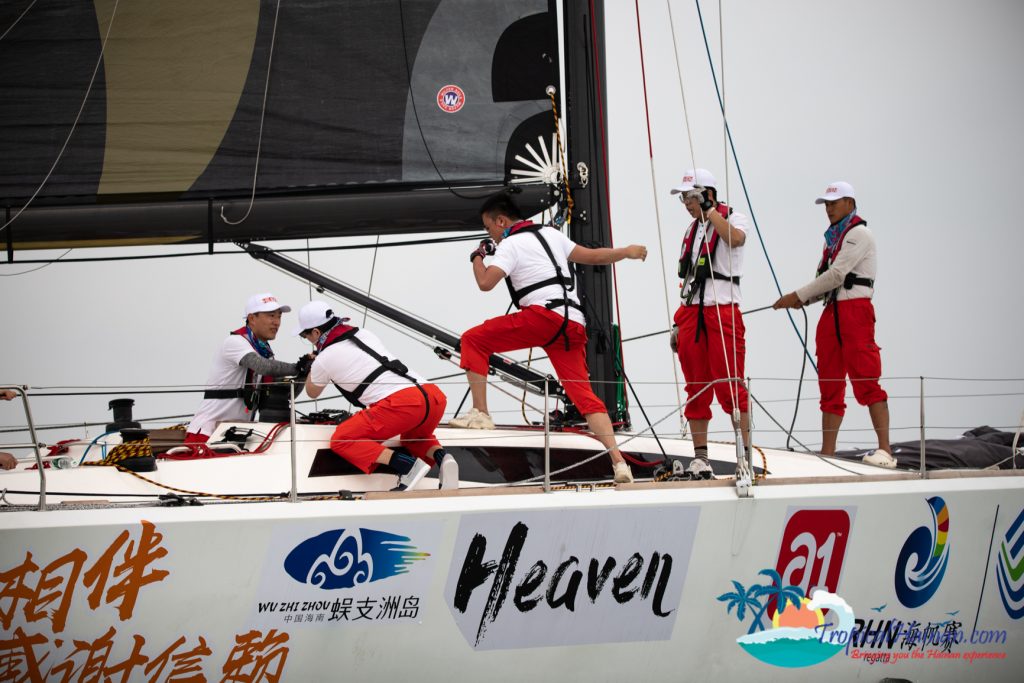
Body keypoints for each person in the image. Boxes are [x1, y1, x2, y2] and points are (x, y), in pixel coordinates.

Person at [452, 193, 647, 484]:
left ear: (501, 221)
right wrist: (627, 251)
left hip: (543, 318)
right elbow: (594, 257)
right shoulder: (551, 235)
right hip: (573, 323)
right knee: (584, 396)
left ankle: (481, 413)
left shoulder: (511, 244)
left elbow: (485, 283)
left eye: (488, 227)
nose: (489, 233)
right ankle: (619, 463)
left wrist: (477, 256)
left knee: (473, 340)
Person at [773, 181, 894, 467]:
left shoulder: (859, 234)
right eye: (826, 204)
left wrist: (797, 295)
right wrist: (804, 300)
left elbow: (837, 275)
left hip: (856, 312)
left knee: (866, 378)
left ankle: (885, 450)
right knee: (829, 382)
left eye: (834, 203)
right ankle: (828, 453)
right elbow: (826, 284)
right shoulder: (832, 239)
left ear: (849, 204)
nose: (828, 209)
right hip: (831, 313)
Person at [298, 301, 456, 491]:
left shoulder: (324, 358)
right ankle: (445, 460)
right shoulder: (363, 333)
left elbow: (312, 392)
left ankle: (408, 467)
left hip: (402, 403)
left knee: (342, 439)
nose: (307, 339)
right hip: (432, 394)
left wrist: (311, 365)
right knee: (415, 437)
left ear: (315, 332)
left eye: (305, 334)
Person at [668, 169, 751, 478]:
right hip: (692, 313)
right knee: (696, 387)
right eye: (685, 198)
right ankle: (700, 458)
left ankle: (745, 454)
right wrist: (678, 323)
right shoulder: (691, 231)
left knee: (730, 384)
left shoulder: (733, 218)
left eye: (690, 197)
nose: (687, 204)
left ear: (707, 194)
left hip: (723, 309)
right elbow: (688, 278)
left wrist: (710, 211)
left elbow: (736, 239)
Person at [185, 293, 311, 443]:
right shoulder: (235, 342)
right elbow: (262, 366)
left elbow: (284, 396)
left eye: (279, 317)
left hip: (233, 435)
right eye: (271, 316)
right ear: (251, 318)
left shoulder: (265, 352)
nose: (277, 322)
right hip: (207, 433)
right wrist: (298, 366)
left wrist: (305, 372)